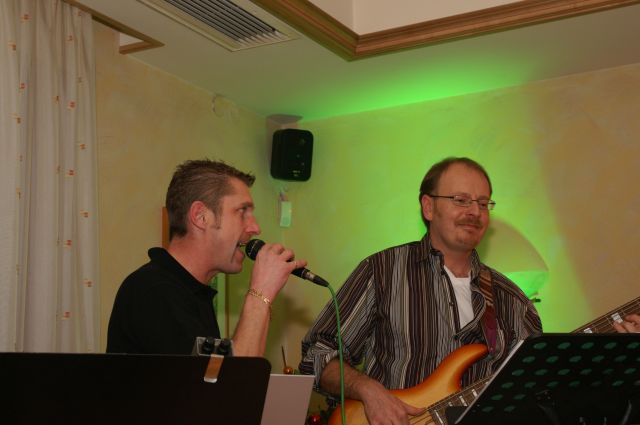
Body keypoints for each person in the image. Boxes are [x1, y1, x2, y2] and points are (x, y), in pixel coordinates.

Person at [299, 157, 543, 425]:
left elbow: (536, 385)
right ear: (428, 207)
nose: (475, 211)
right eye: (461, 200)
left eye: (483, 203)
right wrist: (368, 390)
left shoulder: (512, 299)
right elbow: (318, 355)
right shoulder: (382, 271)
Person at [107, 159, 305, 356]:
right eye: (242, 212)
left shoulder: (193, 292)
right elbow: (233, 376)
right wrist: (260, 293)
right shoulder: (152, 291)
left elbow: (223, 370)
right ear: (200, 216)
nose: (255, 228)